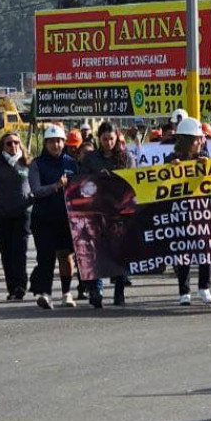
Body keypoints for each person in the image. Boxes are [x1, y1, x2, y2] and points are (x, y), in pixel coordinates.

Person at [80, 121, 136, 307]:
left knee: (120, 252)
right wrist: (97, 178)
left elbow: (133, 181)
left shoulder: (126, 158)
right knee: (97, 250)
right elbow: (80, 182)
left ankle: (119, 291)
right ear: (99, 139)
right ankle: (97, 290)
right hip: (96, 210)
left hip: (120, 211)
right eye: (104, 139)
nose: (108, 143)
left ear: (116, 138)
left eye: (111, 139)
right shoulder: (90, 159)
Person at [164, 117, 211, 305]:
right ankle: (184, 291)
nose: (200, 142)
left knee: (206, 250)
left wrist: (207, 167)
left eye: (200, 139)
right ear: (185, 141)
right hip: (181, 211)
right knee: (183, 251)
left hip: (202, 210)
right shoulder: (171, 159)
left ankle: (204, 287)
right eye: (196, 139)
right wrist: (171, 170)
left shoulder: (206, 157)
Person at [28, 125, 79, 310]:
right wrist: (56, 186)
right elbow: (36, 190)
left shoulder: (71, 162)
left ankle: (66, 293)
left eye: (58, 141)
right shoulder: (37, 164)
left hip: (66, 219)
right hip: (43, 219)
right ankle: (45, 293)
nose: (55, 145)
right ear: (45, 143)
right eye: (51, 142)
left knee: (66, 257)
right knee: (46, 257)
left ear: (64, 142)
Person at [0, 132, 33, 301]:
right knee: (7, 253)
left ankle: (20, 286)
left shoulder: (27, 163)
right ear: (2, 146)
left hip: (22, 214)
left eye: (16, 143)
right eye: (9, 143)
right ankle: (11, 288)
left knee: (20, 251)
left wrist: (31, 199)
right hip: (3, 215)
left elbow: (37, 185)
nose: (13, 146)